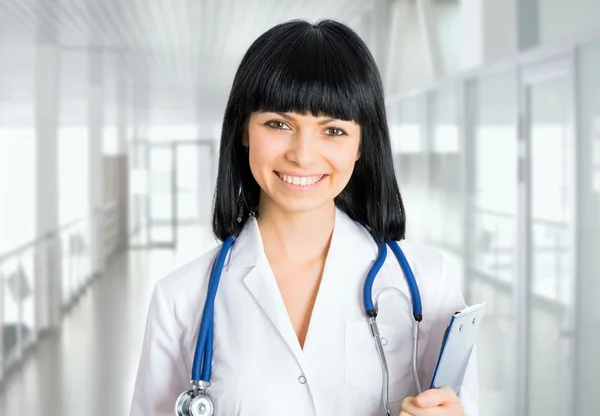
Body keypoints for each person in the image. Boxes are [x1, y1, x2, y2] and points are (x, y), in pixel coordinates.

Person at [130, 19, 478, 416]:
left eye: (333, 131)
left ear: (363, 144)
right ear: (244, 130)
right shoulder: (181, 298)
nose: (303, 154)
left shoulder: (428, 284)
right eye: (279, 124)